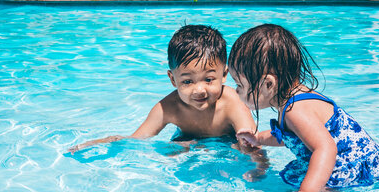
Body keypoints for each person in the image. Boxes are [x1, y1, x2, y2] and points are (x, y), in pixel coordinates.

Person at [228, 24, 379, 192]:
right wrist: (258, 137)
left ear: (268, 84)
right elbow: (292, 138)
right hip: (358, 159)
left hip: (346, 166)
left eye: (239, 84)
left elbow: (325, 148)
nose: (236, 90)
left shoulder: (296, 110)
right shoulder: (294, 98)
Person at [69, 24, 257, 156]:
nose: (199, 90)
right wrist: (98, 143)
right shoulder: (168, 108)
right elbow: (135, 141)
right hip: (186, 142)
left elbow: (252, 141)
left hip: (225, 143)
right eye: (187, 81)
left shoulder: (233, 102)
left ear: (224, 75)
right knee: (171, 153)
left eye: (208, 79)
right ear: (172, 79)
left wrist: (255, 163)